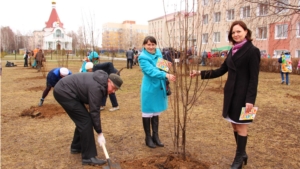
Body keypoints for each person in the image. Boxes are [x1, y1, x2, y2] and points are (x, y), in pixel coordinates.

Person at [190, 21, 260, 169]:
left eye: (239, 31)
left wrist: (250, 100)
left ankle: (239, 158)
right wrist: (200, 73)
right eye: (233, 32)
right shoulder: (232, 50)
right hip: (231, 95)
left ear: (246, 32)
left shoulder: (253, 51)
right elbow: (221, 70)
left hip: (243, 96)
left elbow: (254, 79)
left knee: (241, 127)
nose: (236, 34)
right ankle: (243, 153)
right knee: (234, 126)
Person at [53, 70, 123, 166]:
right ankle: (88, 157)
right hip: (64, 92)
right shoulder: (97, 88)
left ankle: (76, 147)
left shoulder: (101, 82)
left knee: (83, 120)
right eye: (114, 88)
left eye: (116, 90)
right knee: (85, 121)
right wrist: (99, 133)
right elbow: (94, 111)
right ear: (108, 82)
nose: (113, 91)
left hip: (68, 90)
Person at [138, 36, 176, 148]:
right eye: (148, 44)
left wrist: (166, 66)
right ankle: (148, 137)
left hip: (159, 85)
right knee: (148, 111)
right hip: (149, 87)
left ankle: (156, 136)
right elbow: (151, 71)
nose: (151, 47)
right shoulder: (142, 57)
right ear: (144, 45)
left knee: (155, 112)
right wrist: (166, 74)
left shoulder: (158, 52)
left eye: (153, 44)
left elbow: (161, 66)